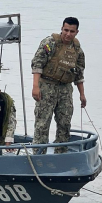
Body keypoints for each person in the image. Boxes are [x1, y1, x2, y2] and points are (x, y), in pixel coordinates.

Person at [31, 17, 86, 153]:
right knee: (42, 123)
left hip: (65, 89)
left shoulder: (77, 50)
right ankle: (38, 155)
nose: (68, 34)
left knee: (65, 123)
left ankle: (61, 153)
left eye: (71, 31)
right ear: (61, 29)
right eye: (66, 30)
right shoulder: (50, 43)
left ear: (76, 32)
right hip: (47, 86)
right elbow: (37, 64)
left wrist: (82, 95)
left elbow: (79, 74)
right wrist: (35, 86)